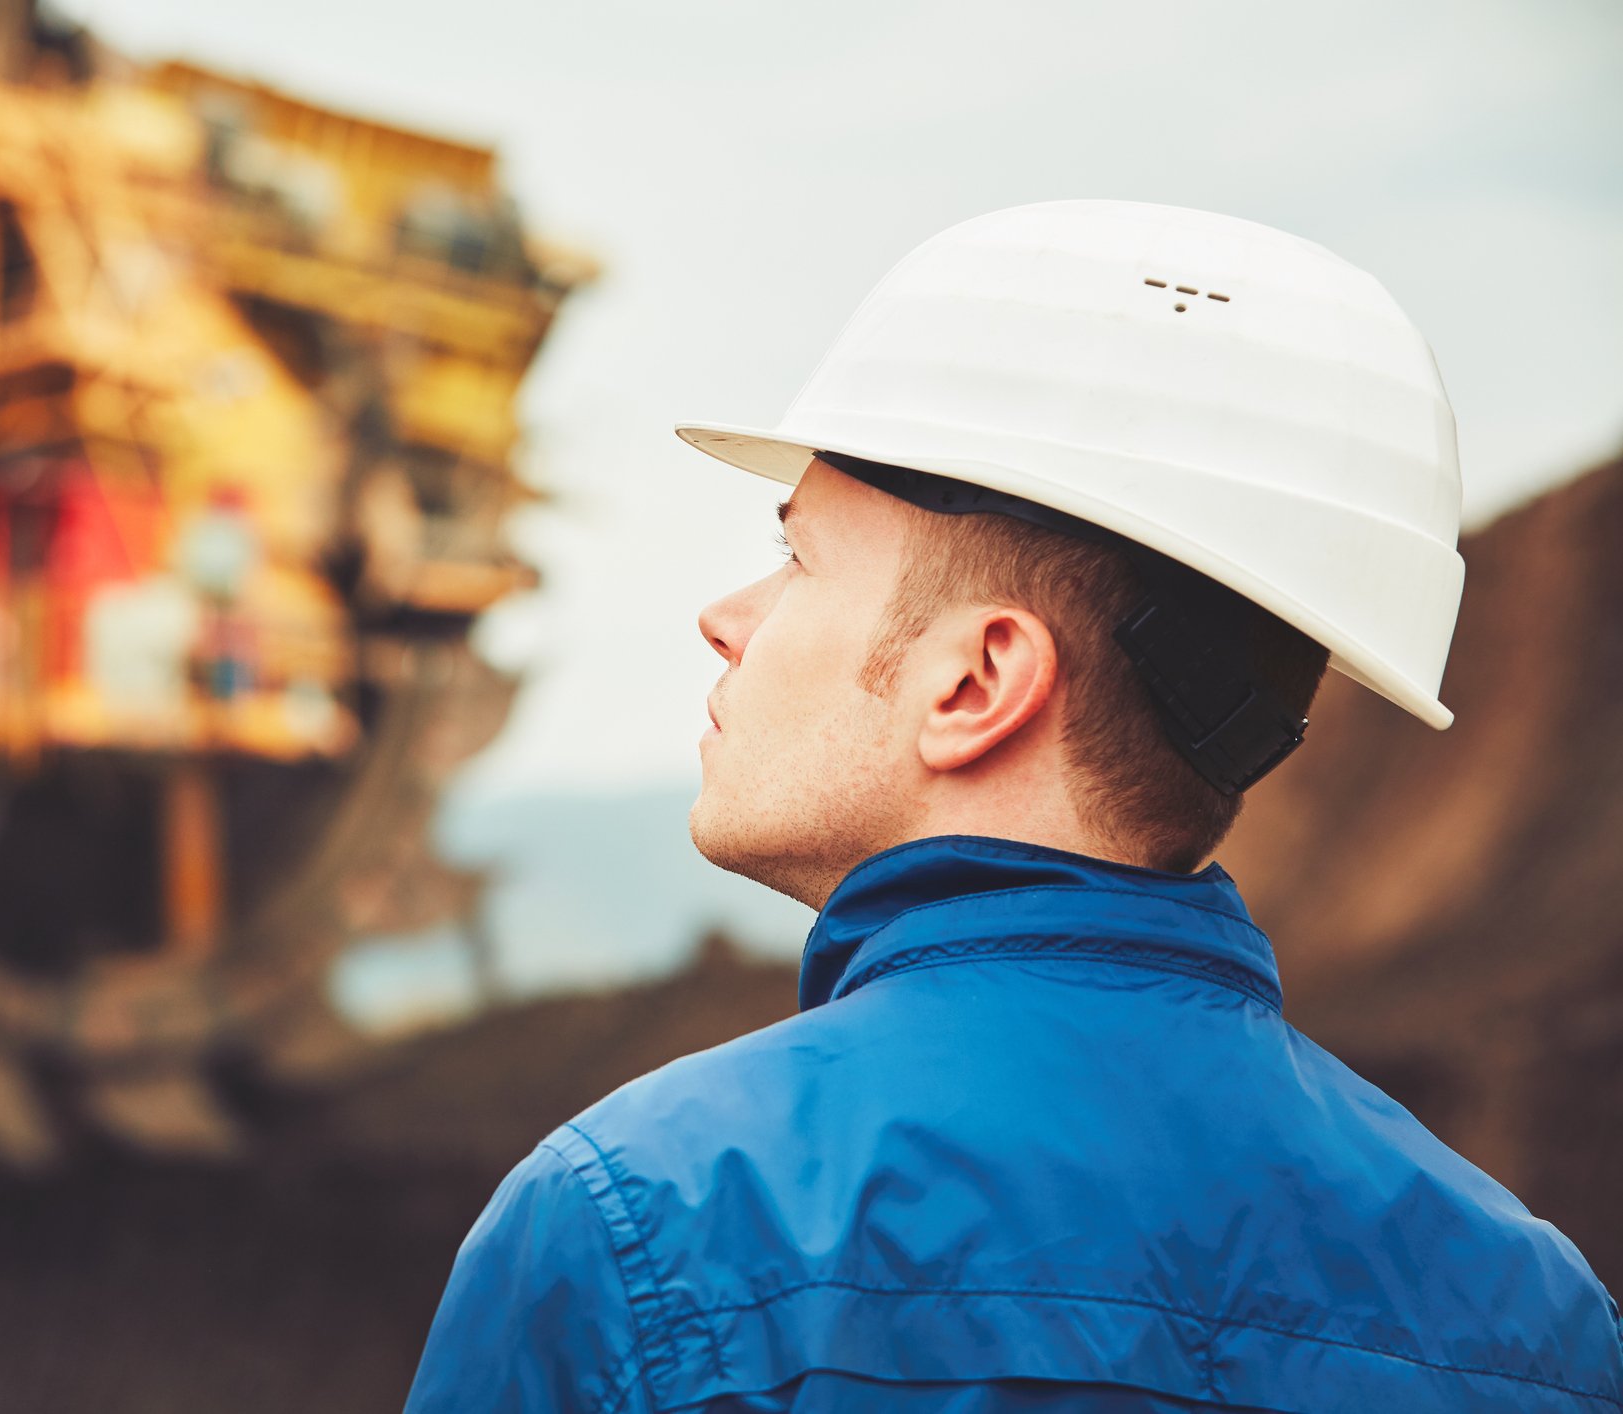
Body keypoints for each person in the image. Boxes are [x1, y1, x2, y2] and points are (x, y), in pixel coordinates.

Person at [401, 200, 1623, 1412]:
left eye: (798, 558)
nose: (726, 617)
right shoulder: (1543, 1318)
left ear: (979, 680)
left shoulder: (641, 1225)